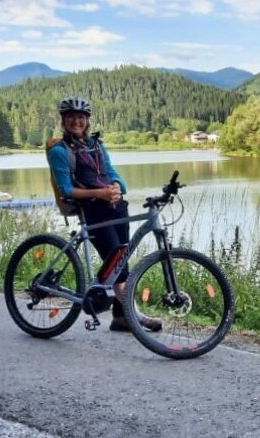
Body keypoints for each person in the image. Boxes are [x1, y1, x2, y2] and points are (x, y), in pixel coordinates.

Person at [48, 96, 161, 332]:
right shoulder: (60, 151)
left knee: (122, 260)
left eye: (81, 117)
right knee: (117, 264)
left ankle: (120, 317)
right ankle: (135, 315)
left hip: (117, 208)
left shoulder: (97, 145)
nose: (76, 121)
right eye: (71, 117)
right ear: (64, 120)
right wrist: (100, 193)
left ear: (87, 121)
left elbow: (112, 172)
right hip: (93, 211)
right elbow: (66, 189)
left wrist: (119, 186)